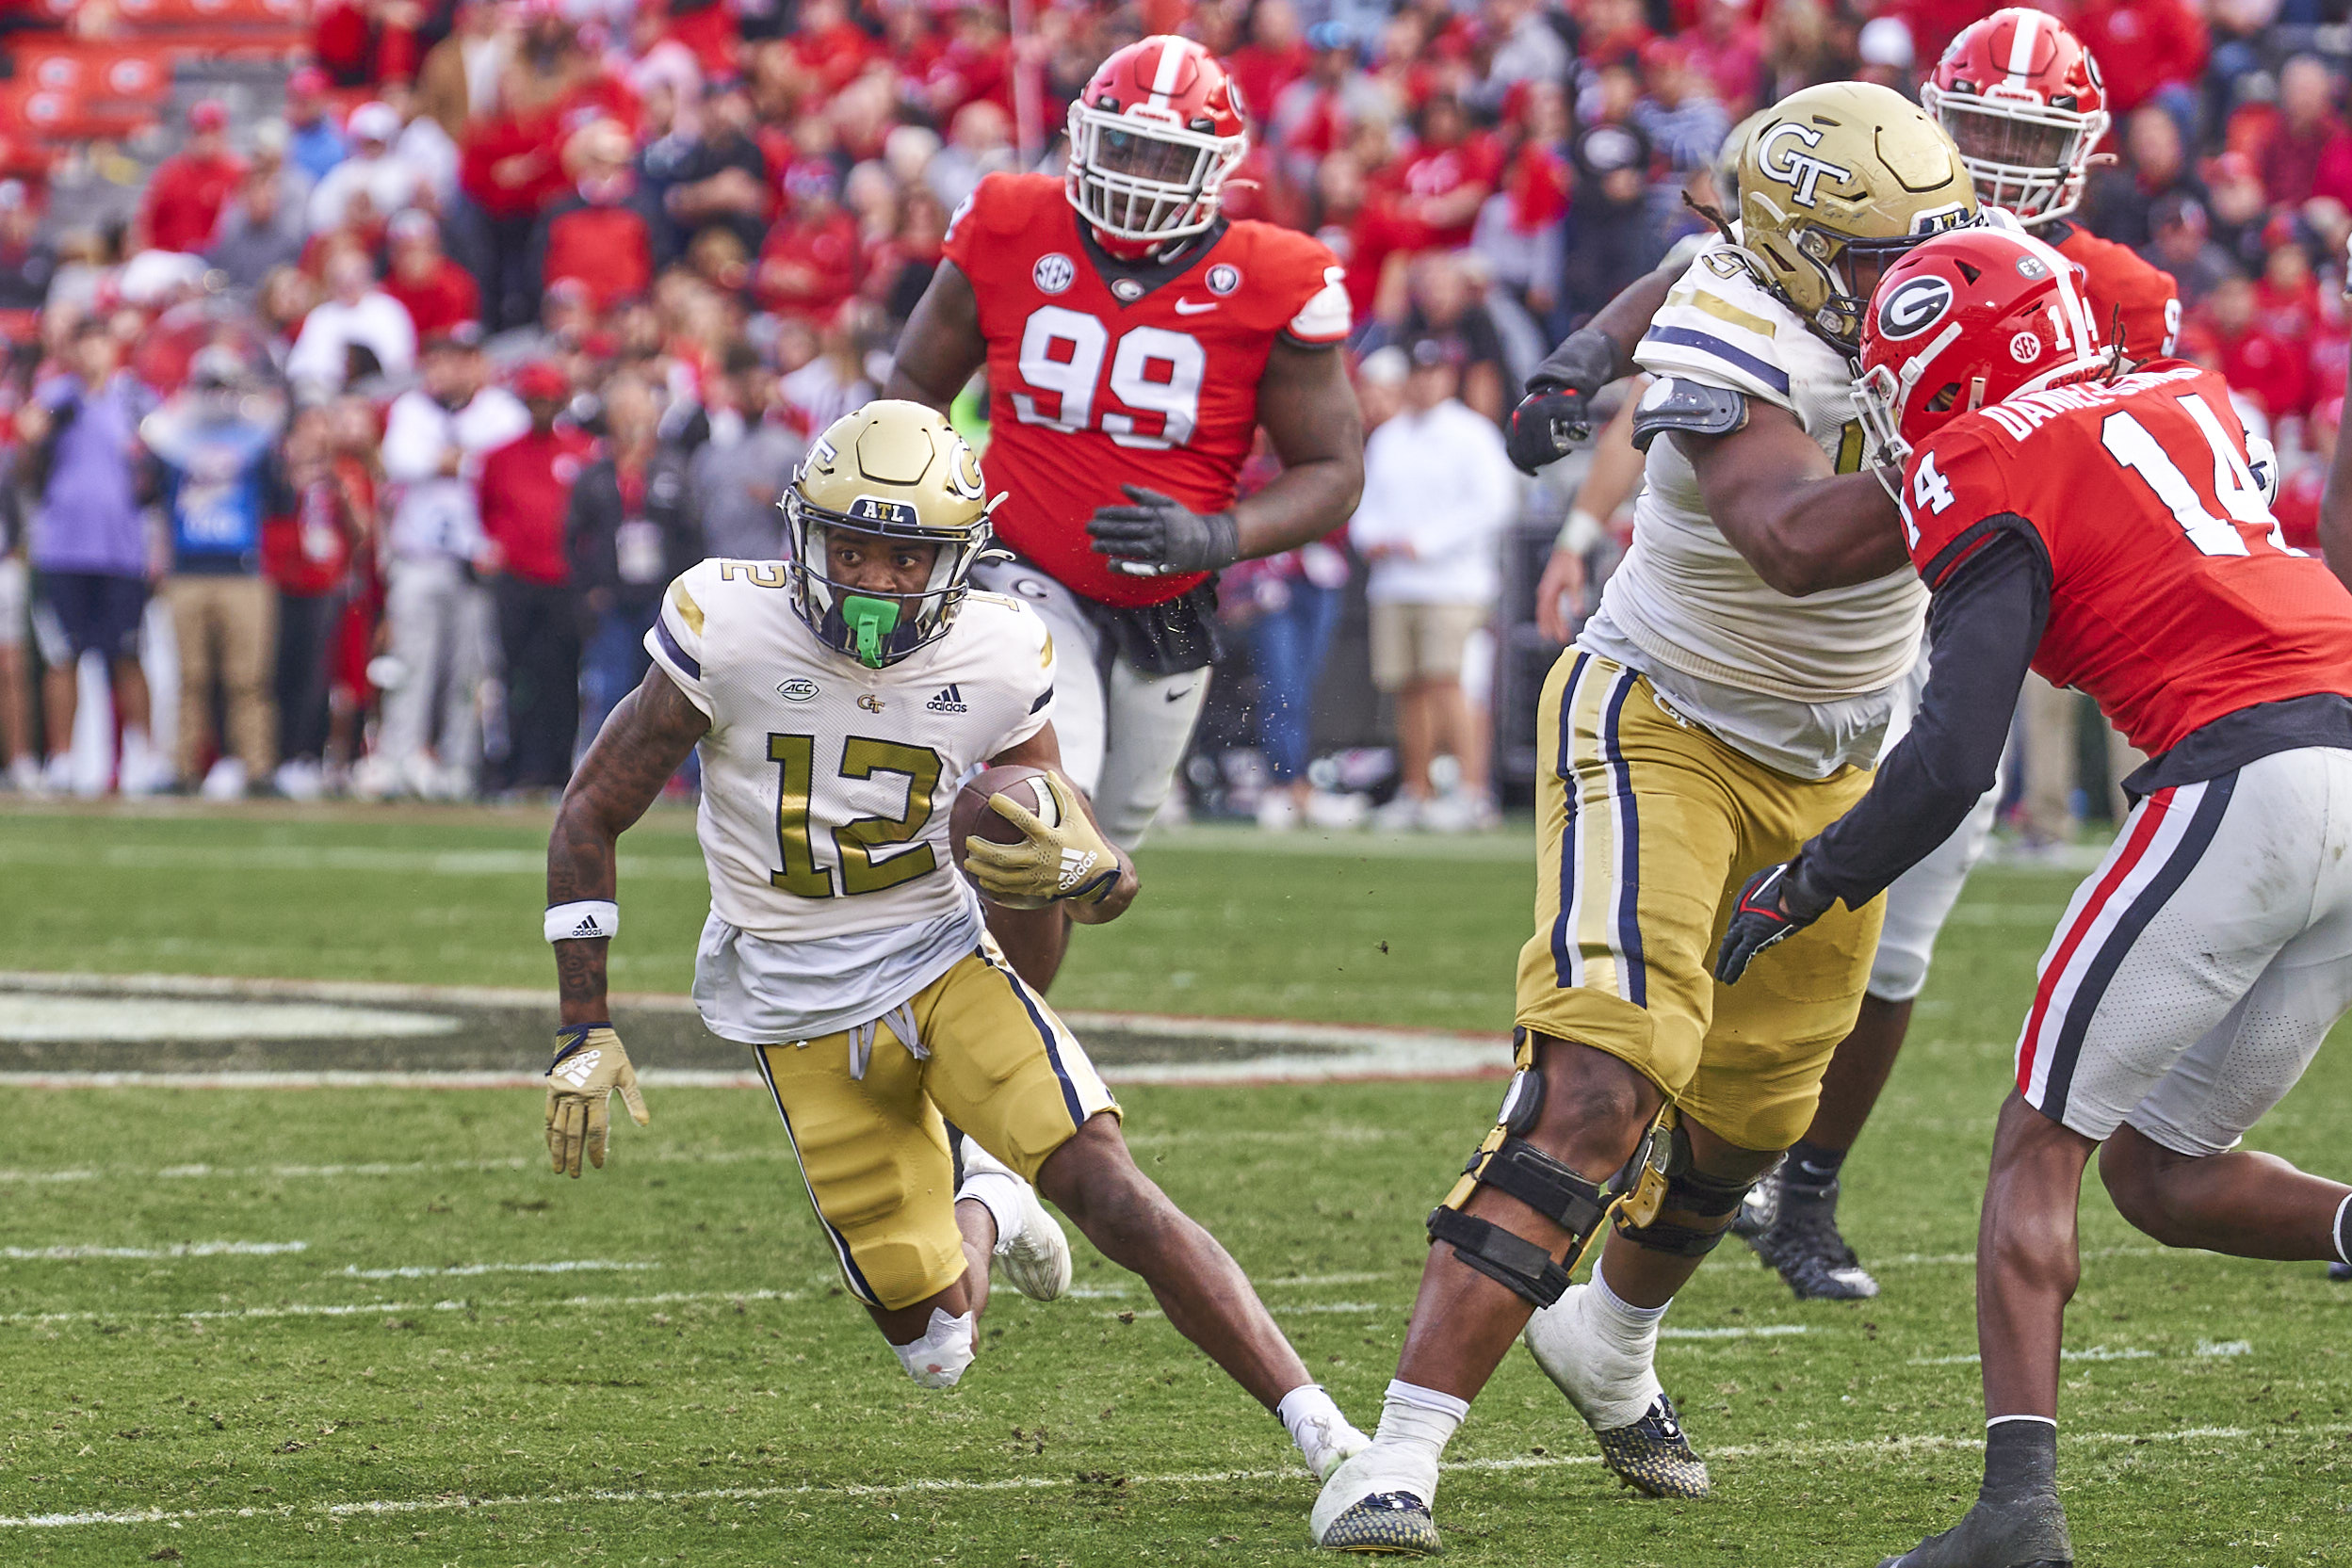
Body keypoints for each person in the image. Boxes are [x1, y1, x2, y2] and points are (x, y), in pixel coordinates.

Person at [1315, 84, 1977, 1551]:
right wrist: (1998, 448)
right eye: (1873, 255)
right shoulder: (1730, 325)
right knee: (1603, 1079)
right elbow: (1794, 541)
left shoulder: (1952, 276)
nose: (1910, 275)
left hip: (1839, 762)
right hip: (1665, 719)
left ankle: (1609, 1338)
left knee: (1757, 1110)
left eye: (1924, 243)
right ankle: (1397, 1452)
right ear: (1797, 252)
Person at [539, 398, 1371, 1480]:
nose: (874, 579)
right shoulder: (725, 626)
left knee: (1111, 1186)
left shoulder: (999, 648)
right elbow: (589, 812)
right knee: (936, 1341)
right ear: (803, 534)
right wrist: (582, 1027)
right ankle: (989, 1197)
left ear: (960, 559)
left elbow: (1071, 842)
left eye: (905, 555)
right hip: (795, 1002)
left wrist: (1099, 874)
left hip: (940, 958)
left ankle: (1330, 1437)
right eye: (851, 546)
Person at [1718, 222, 2352, 1568]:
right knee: (2160, 1176)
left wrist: (1808, 882)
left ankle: (2016, 1518)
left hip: (2246, 776)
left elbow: (1952, 757)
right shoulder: (2182, 389)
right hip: (2337, 747)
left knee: (2038, 1144)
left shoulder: (1980, 456)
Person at [1737, 6, 2189, 1301]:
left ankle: (1805, 1189)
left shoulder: (2119, 292)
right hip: (1808, 597)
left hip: (1966, 615)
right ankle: (1681, 1141)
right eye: (1977, 125)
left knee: (1898, 936)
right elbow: (1708, 322)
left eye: (2022, 135)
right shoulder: (1852, 222)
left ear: (2081, 153)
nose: (1992, 156)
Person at [885, 35, 1364, 990]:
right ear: (1079, 138)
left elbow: (1332, 470)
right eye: (1122, 146)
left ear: (1218, 171)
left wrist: (1218, 536)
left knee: (1095, 857)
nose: (1137, 175)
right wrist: (927, 521)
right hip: (1016, 566)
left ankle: (1005, 1049)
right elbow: (911, 385)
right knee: (1037, 820)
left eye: (1164, 156)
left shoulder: (1277, 276)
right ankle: (999, 1073)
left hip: (1168, 599)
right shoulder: (1010, 218)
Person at [1349, 335, 1517, 831]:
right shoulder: (1389, 437)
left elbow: (1494, 506)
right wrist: (1374, 538)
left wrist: (1428, 542)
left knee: (1448, 682)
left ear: (1449, 378)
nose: (1425, 382)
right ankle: (1415, 791)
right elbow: (1364, 504)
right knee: (1408, 688)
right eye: (1418, 374)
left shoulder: (1473, 435)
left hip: (1454, 583)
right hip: (1396, 583)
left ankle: (1472, 792)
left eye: (1434, 372)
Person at [361, 328, 528, 800]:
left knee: (469, 671)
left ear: (477, 364)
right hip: (419, 557)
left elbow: (498, 466)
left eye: (458, 360)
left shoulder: (502, 410)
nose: (446, 370)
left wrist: (453, 461)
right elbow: (399, 460)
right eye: (439, 360)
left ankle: (459, 766)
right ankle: (397, 760)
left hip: (476, 560)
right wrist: (458, 460)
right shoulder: (412, 409)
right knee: (412, 664)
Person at [17, 320, 168, 796]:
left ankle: (142, 756)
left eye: (99, 342)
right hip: (63, 547)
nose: (92, 354)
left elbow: (160, 465)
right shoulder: (58, 399)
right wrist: (31, 435)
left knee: (127, 653)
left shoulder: (136, 401)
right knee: (64, 657)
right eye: (83, 345)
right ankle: (63, 759)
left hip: (121, 550)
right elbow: (25, 459)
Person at [145, 348, 291, 798]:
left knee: (248, 679)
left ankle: (258, 769)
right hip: (188, 569)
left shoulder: (254, 442)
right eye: (209, 388)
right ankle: (183, 768)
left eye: (224, 388)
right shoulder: (173, 443)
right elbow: (147, 492)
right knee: (189, 679)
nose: (216, 398)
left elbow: (282, 502)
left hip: (243, 570)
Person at [567, 371, 700, 748]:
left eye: (639, 412)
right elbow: (574, 537)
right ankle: (599, 770)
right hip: (613, 598)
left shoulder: (673, 470)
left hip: (662, 599)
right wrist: (589, 588)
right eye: (623, 412)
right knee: (608, 688)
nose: (632, 422)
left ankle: (679, 778)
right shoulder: (594, 475)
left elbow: (692, 535)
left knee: (673, 689)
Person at [478, 363, 591, 793]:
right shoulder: (500, 456)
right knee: (516, 676)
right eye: (535, 400)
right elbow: (487, 511)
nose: (542, 408)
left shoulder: (581, 451)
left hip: (565, 582)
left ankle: (558, 769)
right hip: (518, 581)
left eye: (548, 400)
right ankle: (517, 766)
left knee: (563, 677)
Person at [689, 343, 803, 561]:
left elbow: (806, 517)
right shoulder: (709, 452)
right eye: (746, 386)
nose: (753, 394)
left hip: (770, 566)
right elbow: (695, 514)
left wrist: (776, 499)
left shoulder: (790, 447)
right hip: (717, 565)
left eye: (760, 385)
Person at [136, 99, 245, 257]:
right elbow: (146, 221)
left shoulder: (238, 173)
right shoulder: (170, 173)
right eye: (200, 132)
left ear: (223, 133)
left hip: (215, 262)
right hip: (167, 258)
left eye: (212, 131)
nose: (206, 139)